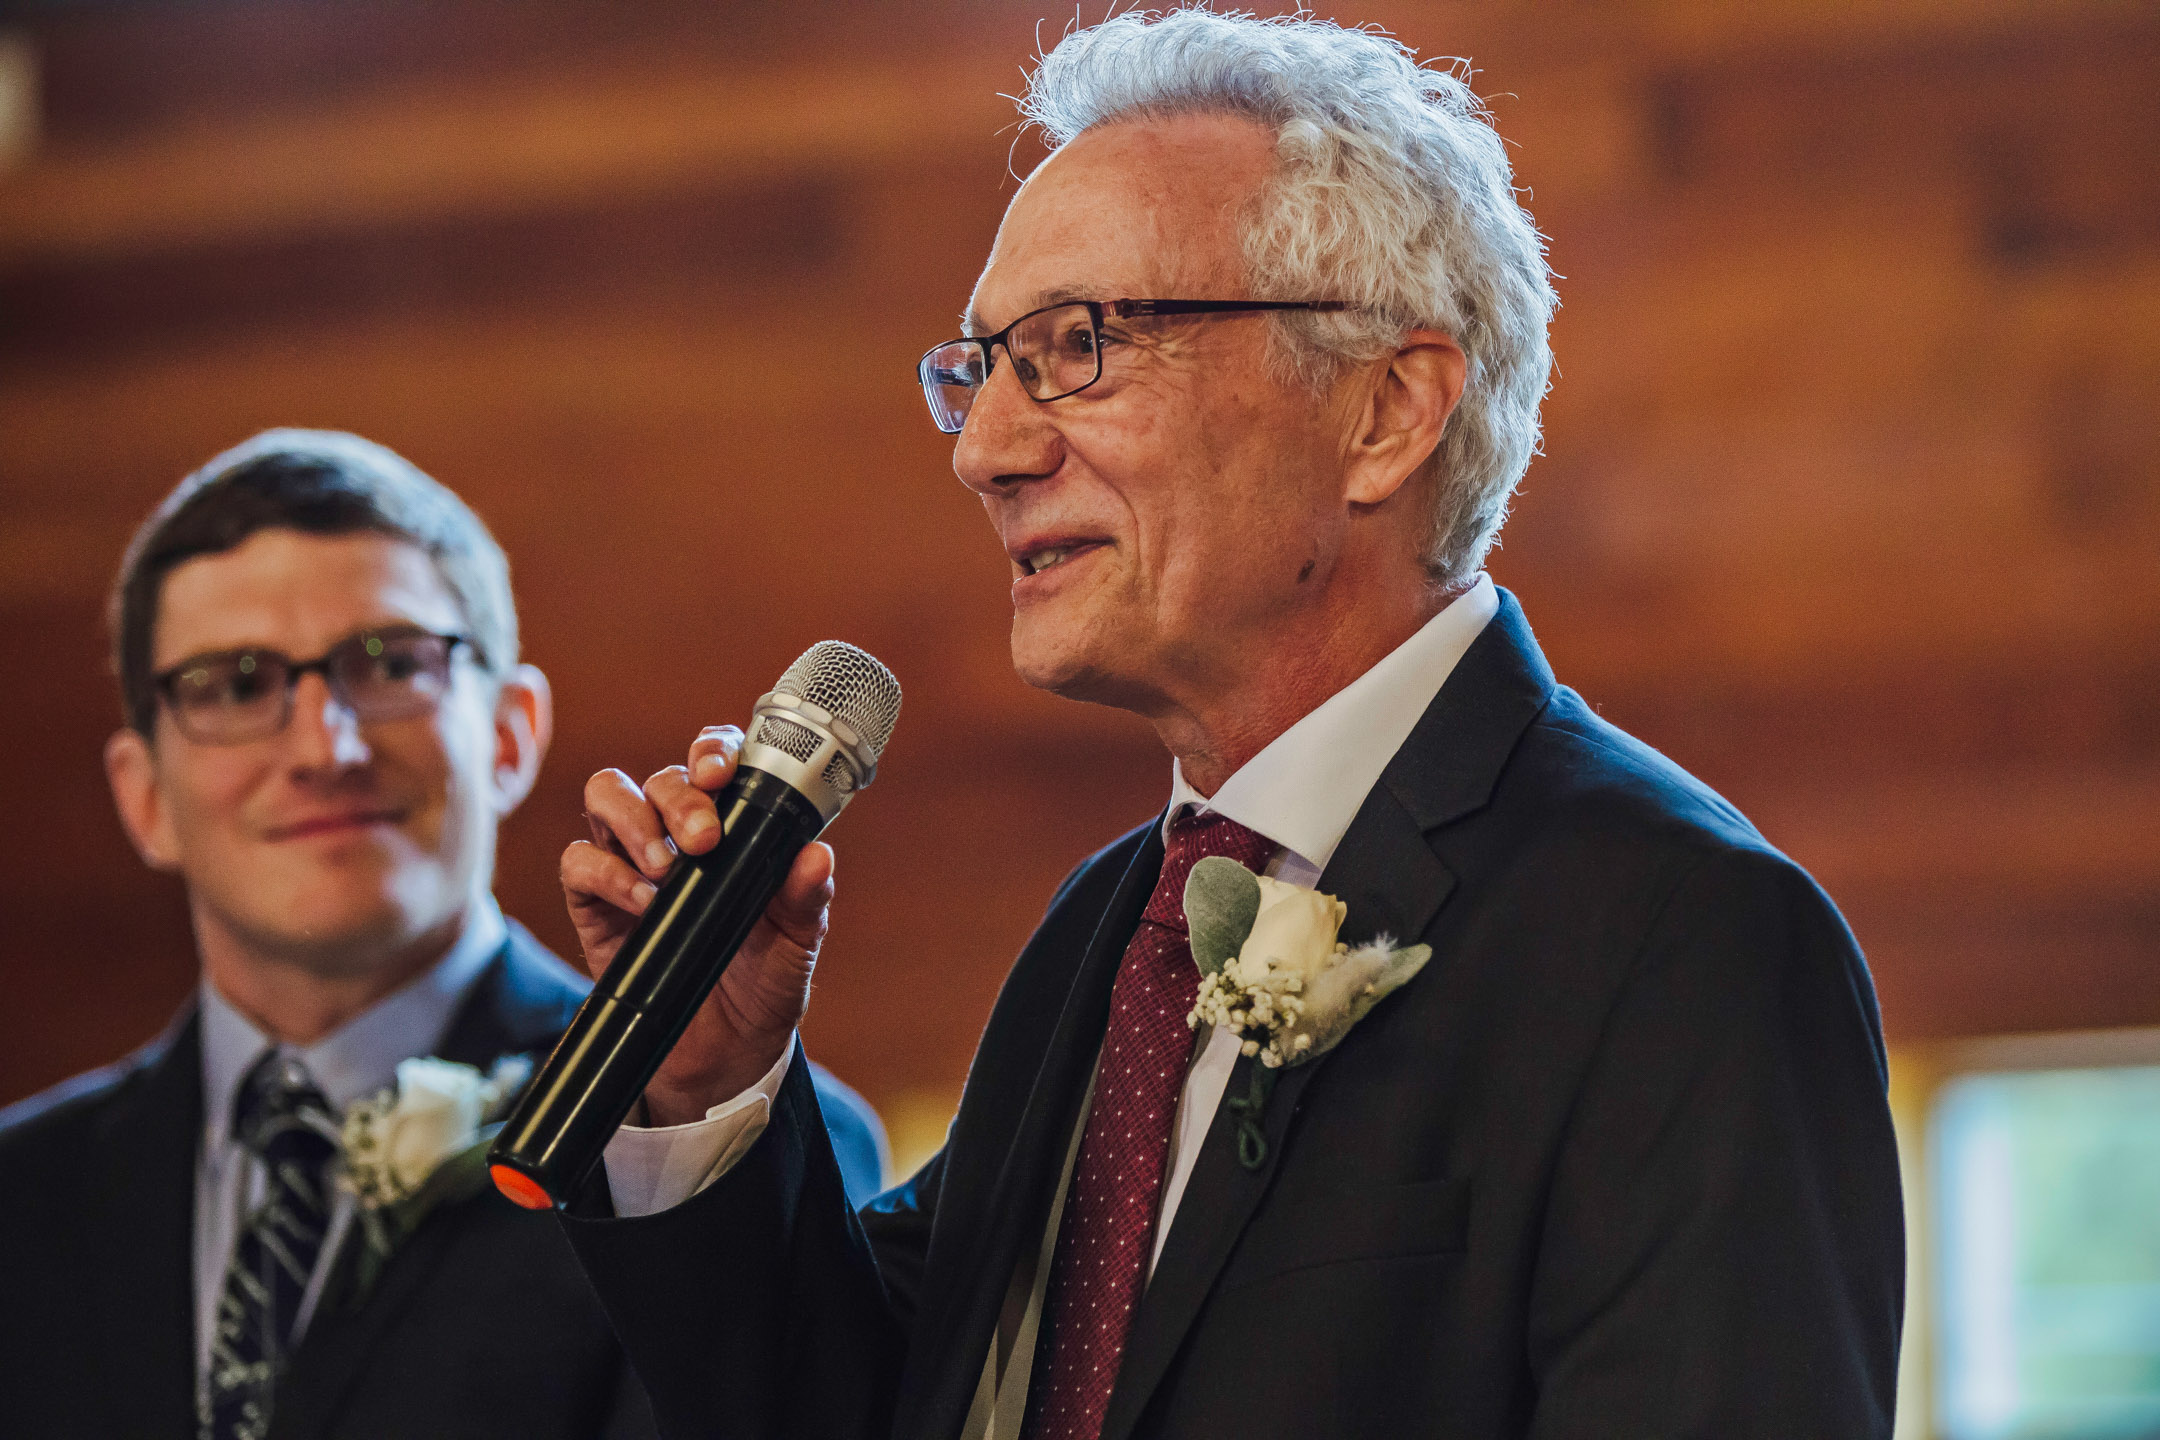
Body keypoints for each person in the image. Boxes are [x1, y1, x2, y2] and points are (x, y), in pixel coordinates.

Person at [556, 11, 1905, 1440]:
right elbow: (879, 1405)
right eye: (980, 368)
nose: (986, 451)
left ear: (1385, 411)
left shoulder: (1682, 939)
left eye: (1079, 347)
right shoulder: (1108, 935)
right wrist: (706, 1081)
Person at [0, 430, 887, 1440]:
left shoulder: (710, 1147)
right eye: (237, 684)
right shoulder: (19, 1201)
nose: (322, 747)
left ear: (509, 733)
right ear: (143, 793)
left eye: (387, 663)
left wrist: (689, 1107)